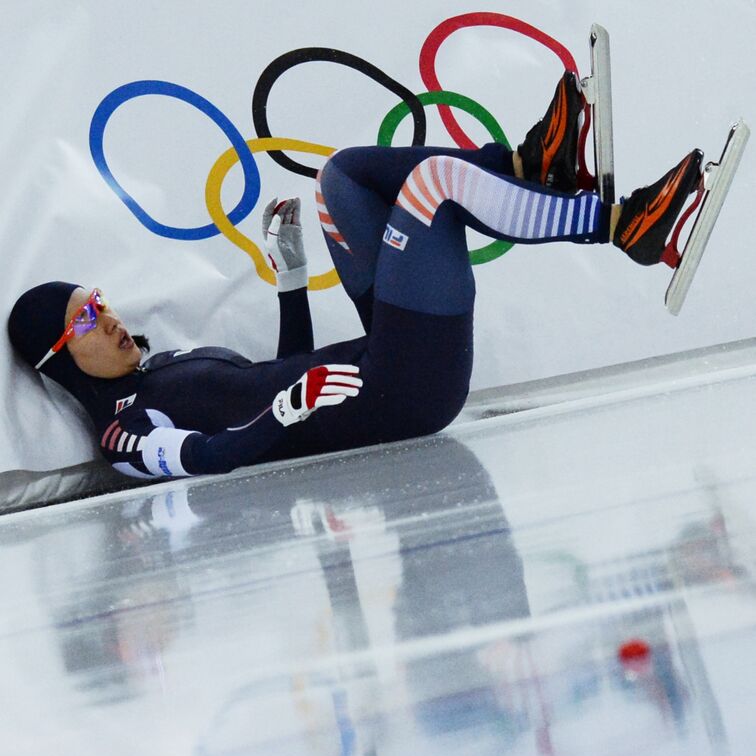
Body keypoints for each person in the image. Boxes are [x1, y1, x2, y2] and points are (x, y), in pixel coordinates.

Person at [7, 73, 704, 480]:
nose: (111, 315)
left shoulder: (164, 368)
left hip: (380, 361)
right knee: (430, 188)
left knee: (343, 179)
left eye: (99, 300)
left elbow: (282, 376)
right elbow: (215, 456)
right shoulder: (123, 435)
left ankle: (527, 165)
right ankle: (626, 227)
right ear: (58, 355)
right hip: (404, 391)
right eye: (87, 318)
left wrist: (292, 281)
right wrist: (286, 411)